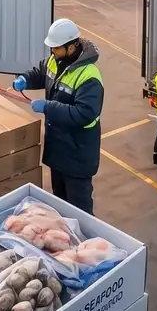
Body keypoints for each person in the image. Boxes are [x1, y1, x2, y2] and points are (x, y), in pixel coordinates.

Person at [12, 18, 103, 214]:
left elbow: (84, 114)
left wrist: (48, 107)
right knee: (60, 203)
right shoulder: (56, 60)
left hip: (77, 153)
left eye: (56, 48)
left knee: (79, 210)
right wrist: (25, 79)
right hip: (58, 149)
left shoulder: (89, 76)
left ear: (71, 47)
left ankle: (86, 243)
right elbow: (41, 72)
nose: (52, 51)